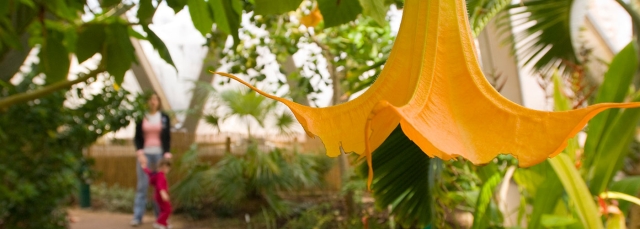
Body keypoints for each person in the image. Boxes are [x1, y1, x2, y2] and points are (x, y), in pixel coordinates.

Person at [131, 93, 172, 226]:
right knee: (142, 186)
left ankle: (159, 218)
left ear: (159, 102)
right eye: (151, 99)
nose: (153, 101)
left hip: (160, 155)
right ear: (147, 102)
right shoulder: (141, 116)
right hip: (145, 154)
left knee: (160, 187)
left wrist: (166, 153)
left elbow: (167, 137)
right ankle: (137, 217)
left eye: (155, 99)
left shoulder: (164, 117)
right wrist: (140, 153)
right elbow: (137, 137)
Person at [139, 157, 173, 229]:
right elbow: (159, 185)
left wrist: (144, 167)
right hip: (160, 196)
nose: (168, 170)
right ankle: (159, 222)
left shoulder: (156, 174)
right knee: (168, 209)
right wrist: (163, 193)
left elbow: (149, 173)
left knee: (163, 210)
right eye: (168, 168)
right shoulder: (161, 175)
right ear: (164, 167)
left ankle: (164, 222)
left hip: (157, 196)